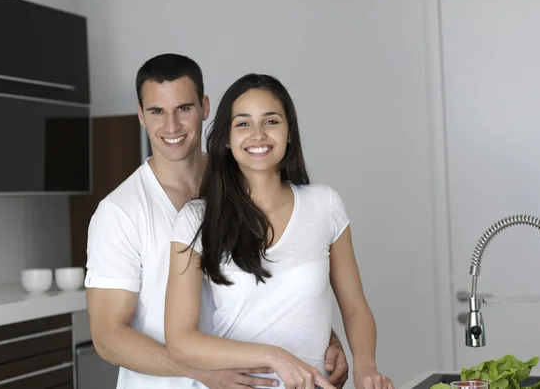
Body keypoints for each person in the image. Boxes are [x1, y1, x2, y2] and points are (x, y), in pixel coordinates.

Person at [84, 54, 350, 389]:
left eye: (183, 108)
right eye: (156, 112)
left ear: (205, 108)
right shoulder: (120, 212)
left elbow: (276, 279)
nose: (171, 126)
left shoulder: (247, 181)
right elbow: (108, 336)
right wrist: (197, 371)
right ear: (140, 115)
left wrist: (325, 337)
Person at [164, 73, 395, 389]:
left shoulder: (324, 204)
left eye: (271, 121)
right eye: (243, 124)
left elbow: (354, 307)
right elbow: (180, 340)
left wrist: (366, 367)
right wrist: (276, 357)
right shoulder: (196, 219)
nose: (258, 135)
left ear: (289, 133)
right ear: (227, 139)